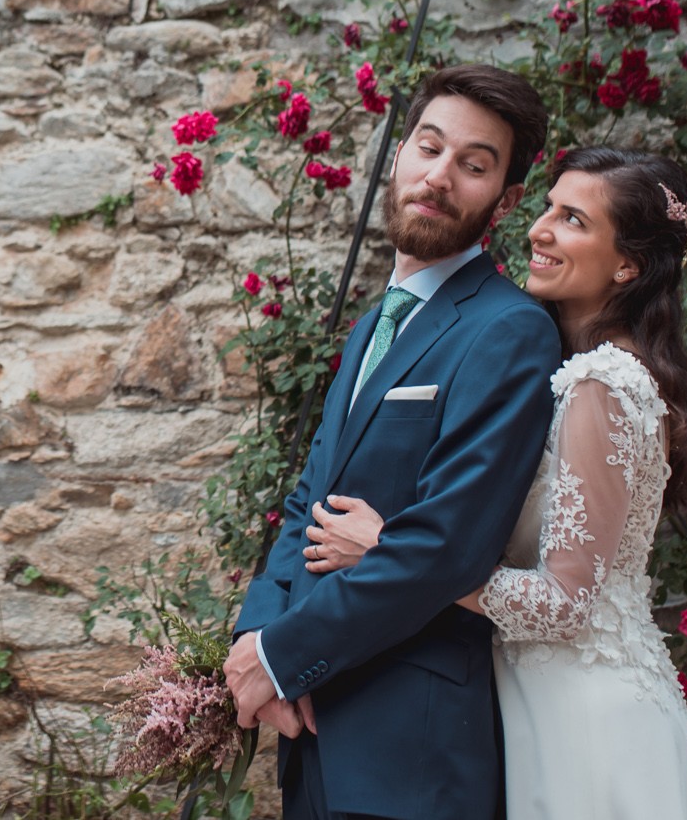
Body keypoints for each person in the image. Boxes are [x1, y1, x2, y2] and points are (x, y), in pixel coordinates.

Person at [304, 146, 687, 819]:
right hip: (551, 699)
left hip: (583, 722)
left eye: (574, 219)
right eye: (549, 206)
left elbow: (563, 602)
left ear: (627, 264)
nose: (540, 228)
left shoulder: (601, 384)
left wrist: (391, 549)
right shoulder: (597, 370)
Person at [225, 64, 564, 820]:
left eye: (474, 165)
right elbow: (307, 501)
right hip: (311, 725)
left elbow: (446, 545)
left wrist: (281, 656)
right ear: (399, 152)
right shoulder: (373, 324)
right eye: (429, 147)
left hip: (410, 752)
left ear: (506, 200)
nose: (440, 175)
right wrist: (257, 638)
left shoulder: (508, 331)